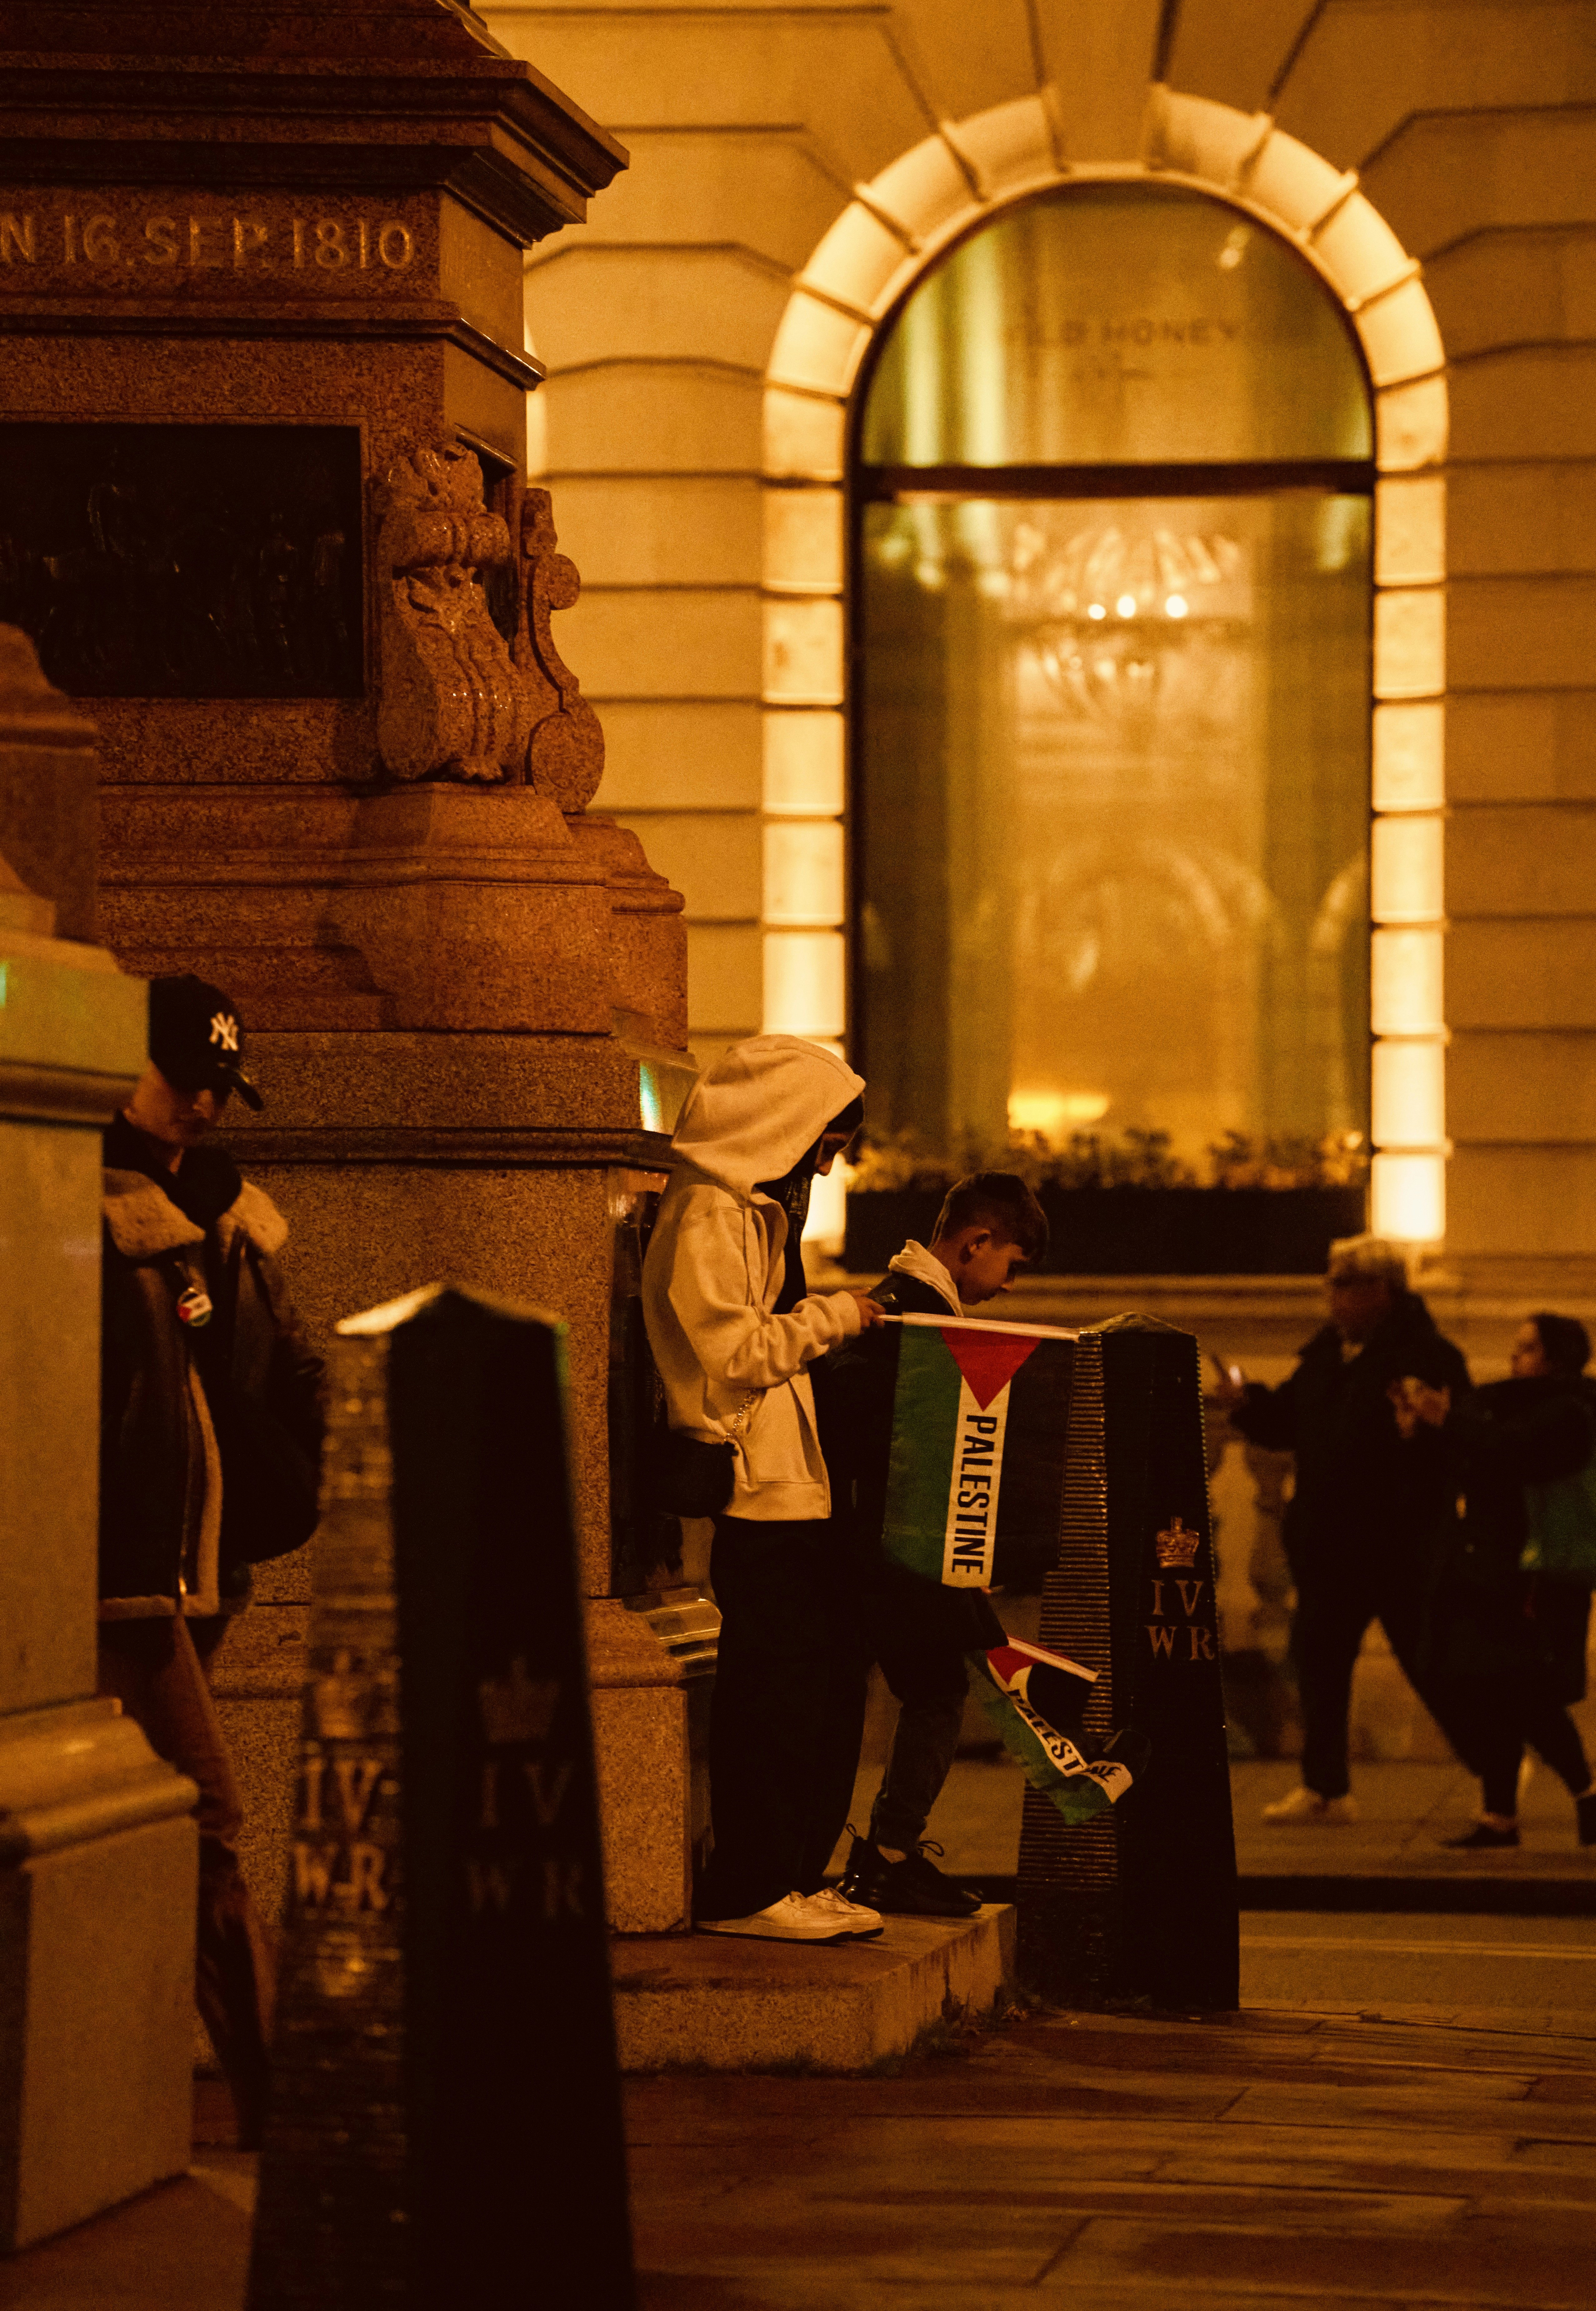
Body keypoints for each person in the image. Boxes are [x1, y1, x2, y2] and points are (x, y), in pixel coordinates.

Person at [99, 973, 325, 2144]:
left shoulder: (232, 1218)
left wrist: (294, 1481)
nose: (200, 1104)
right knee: (204, 1812)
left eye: (217, 1087)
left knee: (155, 1822)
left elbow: (292, 1374)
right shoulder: (88, 1208)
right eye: (182, 1078)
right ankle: (273, 2092)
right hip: (122, 1579)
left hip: (204, 1566)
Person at [642, 1035, 889, 1943]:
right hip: (756, 1491)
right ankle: (748, 1886)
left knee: (813, 1692)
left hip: (791, 1485)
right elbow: (735, 1353)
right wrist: (838, 1314)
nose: (826, 1165)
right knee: (772, 1693)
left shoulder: (749, 1213)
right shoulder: (711, 1214)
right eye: (824, 1143)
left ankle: (788, 1871)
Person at [834, 1174, 1049, 1917]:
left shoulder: (891, 1300)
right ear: (976, 1242)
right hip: (895, 1552)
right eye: (1011, 1265)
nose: (1010, 1286)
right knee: (935, 1691)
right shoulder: (918, 1318)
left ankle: (873, 1853)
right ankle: (887, 1852)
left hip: (872, 1544)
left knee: (911, 1689)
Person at [1215, 1234, 1470, 1825]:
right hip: (1331, 1546)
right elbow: (1289, 1423)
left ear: (1380, 1293)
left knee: (1426, 1659)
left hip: (1396, 1543)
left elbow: (1452, 1440)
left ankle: (1494, 1761)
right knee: (1319, 1662)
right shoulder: (1330, 1356)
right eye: (1332, 1287)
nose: (1332, 1299)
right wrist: (1246, 1401)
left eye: (1344, 1288)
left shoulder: (1423, 1357)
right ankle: (1326, 1788)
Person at [1393, 1313, 1596, 1849]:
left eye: (1527, 1348)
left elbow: (1510, 1455)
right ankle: (1504, 1814)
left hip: (1530, 1575)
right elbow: (1470, 1470)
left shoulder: (1571, 1412)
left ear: (1555, 1357)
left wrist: (1449, 1422)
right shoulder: (1499, 1407)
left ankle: (1581, 1788)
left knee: (1523, 1690)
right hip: (1481, 1572)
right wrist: (1421, 1431)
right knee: (1488, 1690)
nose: (1514, 1357)